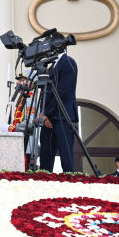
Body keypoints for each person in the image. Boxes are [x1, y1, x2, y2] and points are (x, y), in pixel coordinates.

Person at [38, 40, 79, 173]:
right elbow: (45, 92)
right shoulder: (51, 66)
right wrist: (43, 114)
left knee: (66, 154)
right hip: (48, 117)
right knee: (45, 154)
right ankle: (44, 179)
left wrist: (47, 113)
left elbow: (63, 91)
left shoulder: (68, 62)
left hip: (62, 116)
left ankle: (70, 181)